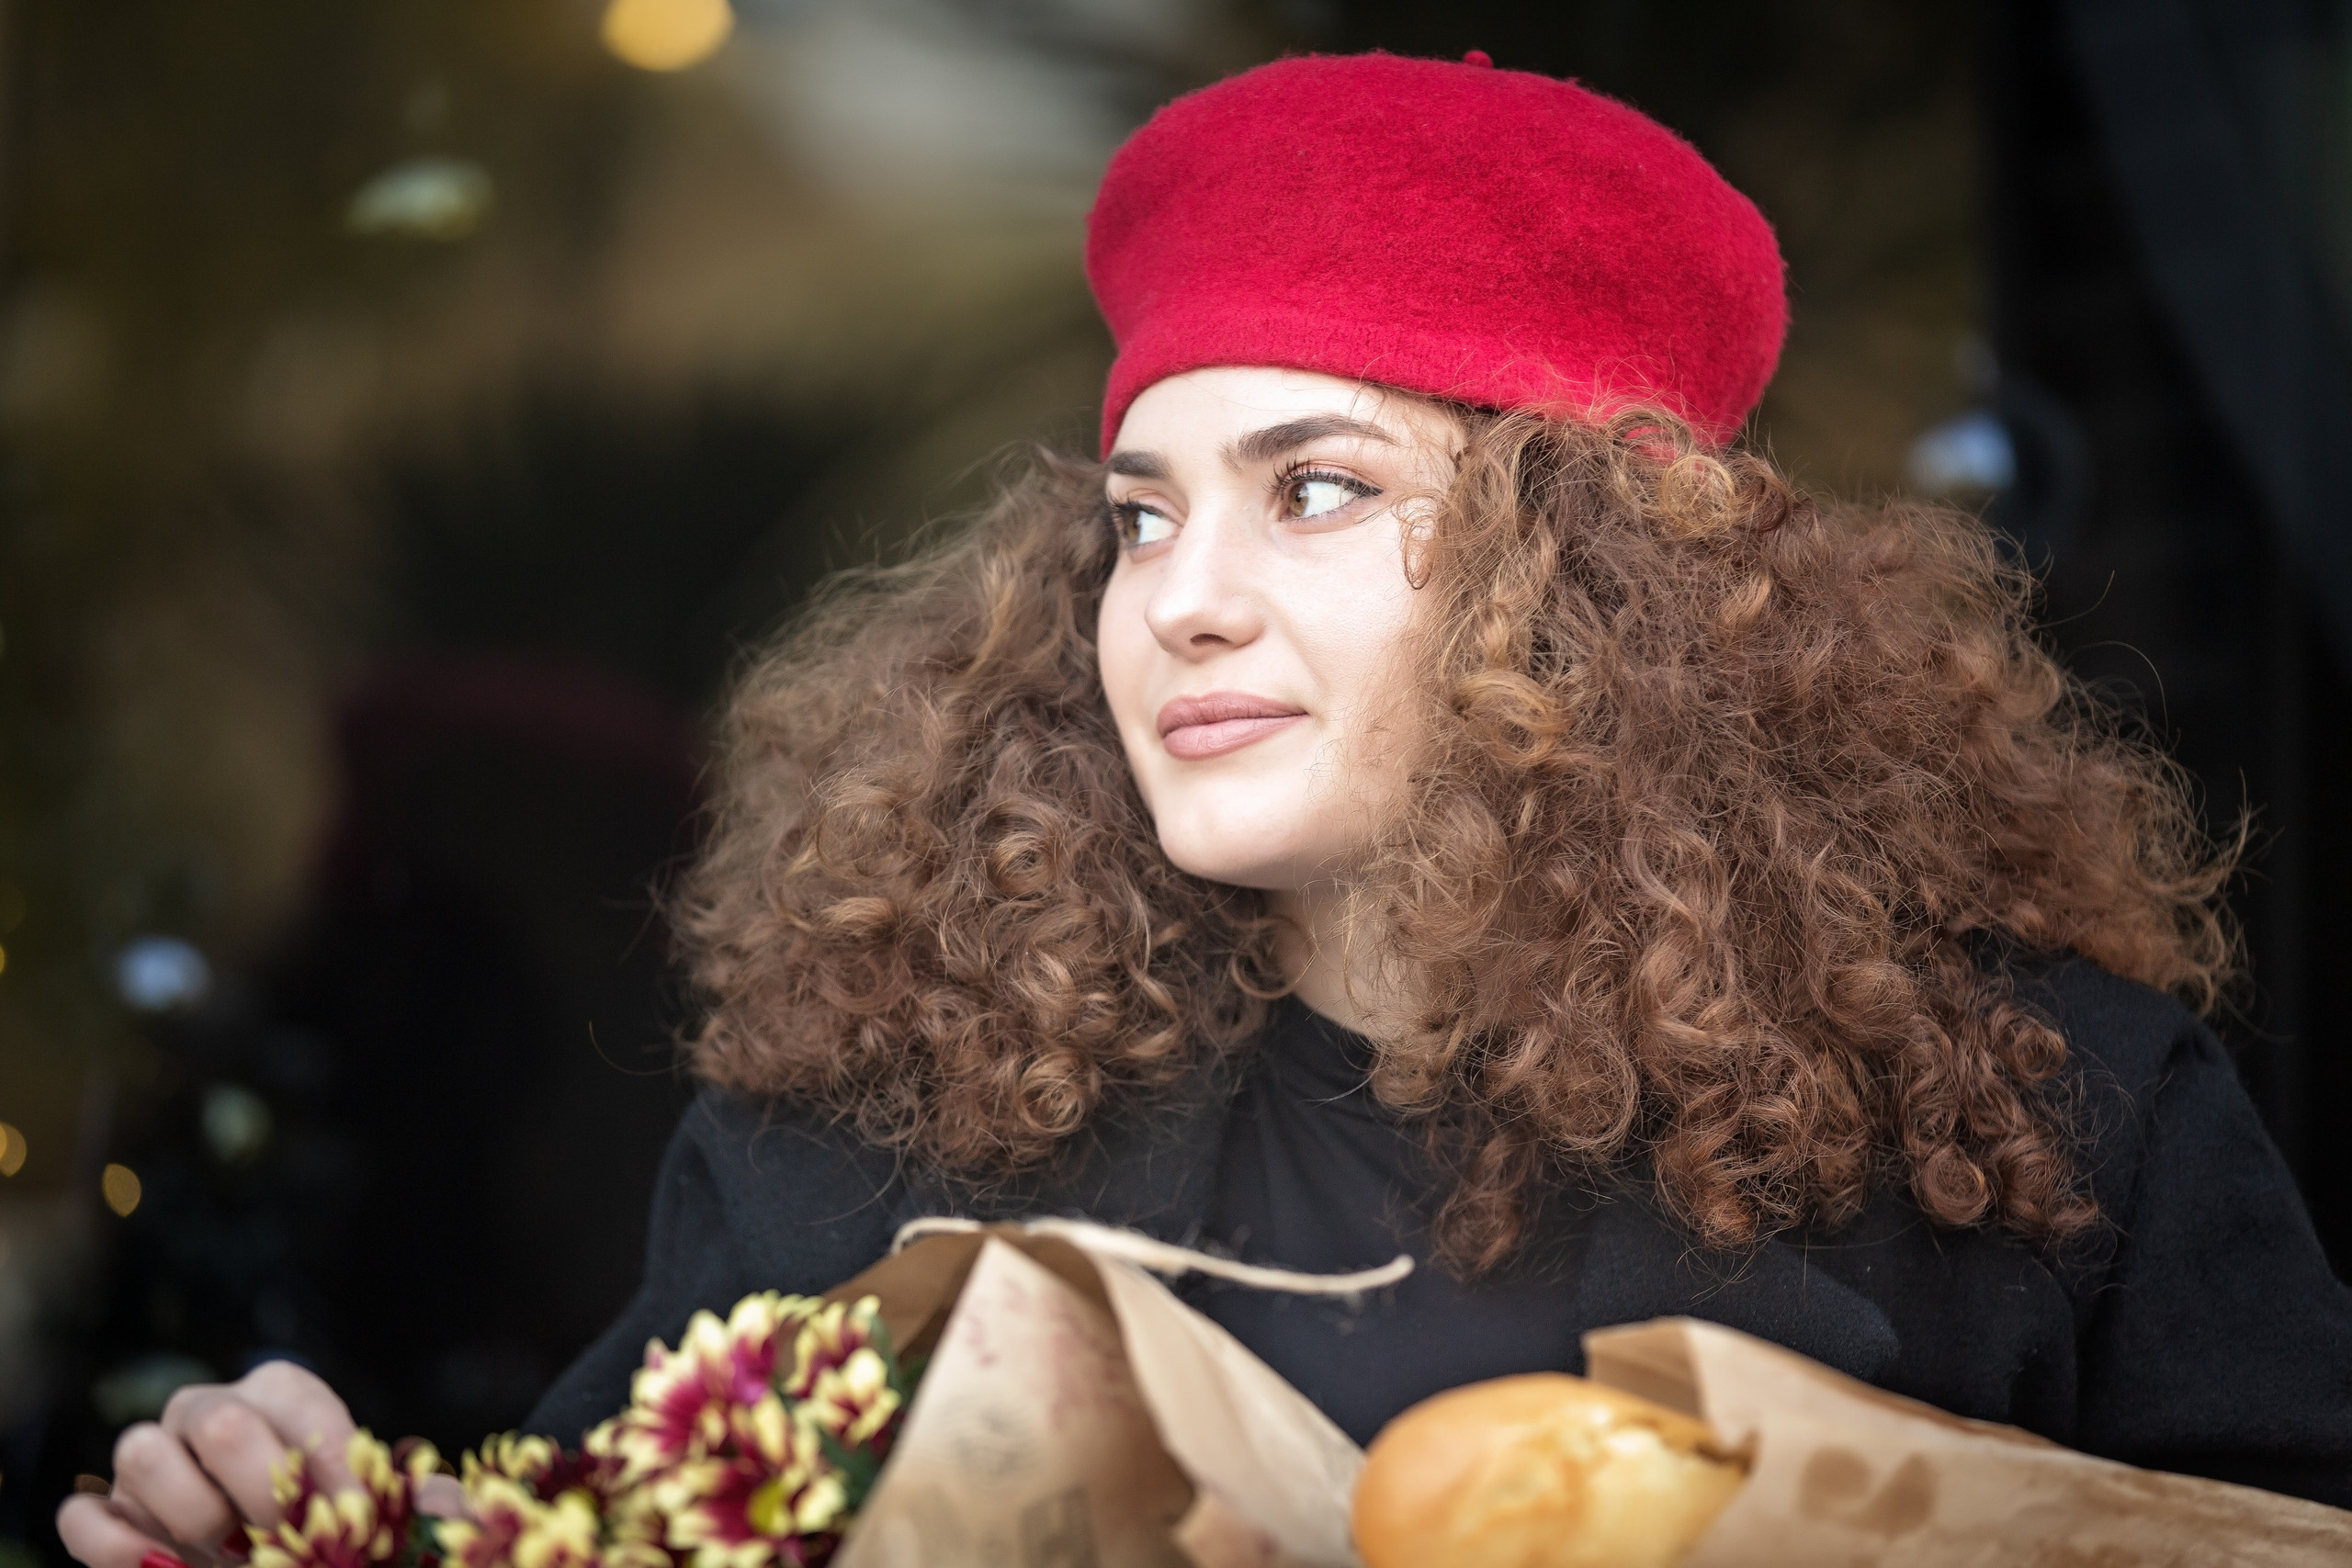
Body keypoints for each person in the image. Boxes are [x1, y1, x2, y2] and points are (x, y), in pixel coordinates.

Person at [60, 51, 2352, 1568]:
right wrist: (338, 1520)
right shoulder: (854, 1144)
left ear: (1612, 576)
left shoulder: (2042, 1125)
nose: (1179, 600)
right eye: (1142, 516)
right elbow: (608, 1527)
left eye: (1315, 490)